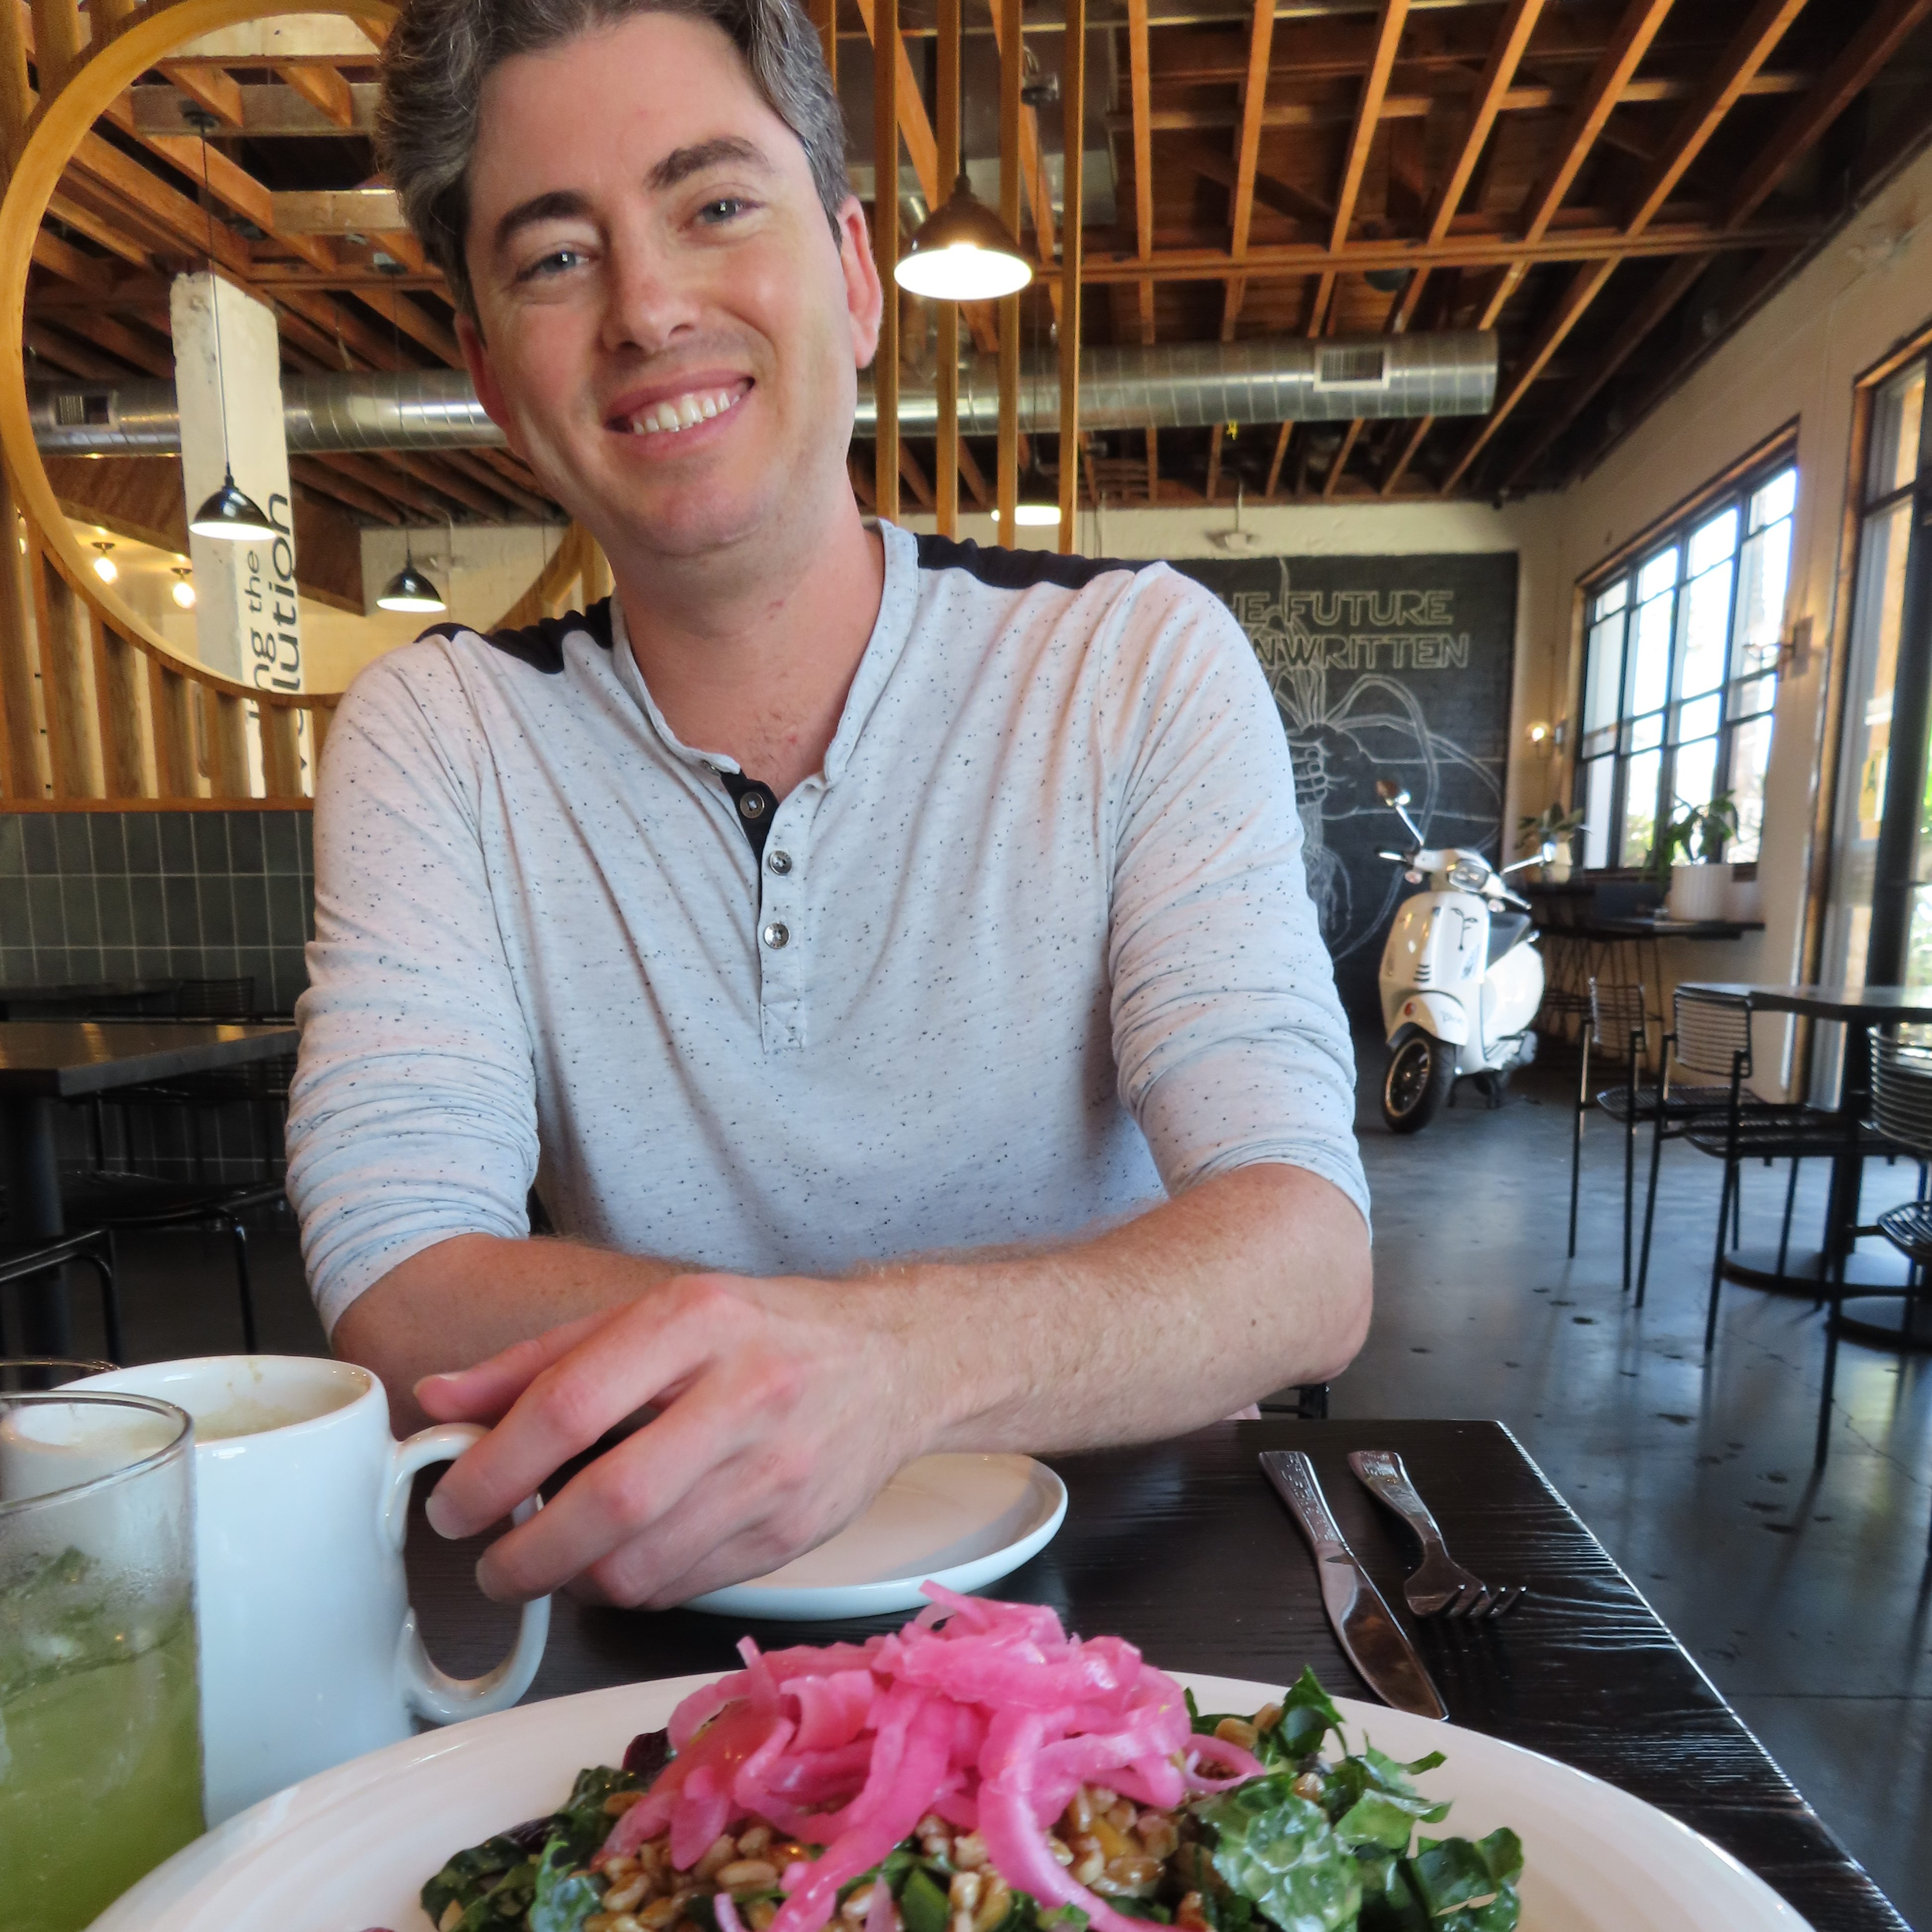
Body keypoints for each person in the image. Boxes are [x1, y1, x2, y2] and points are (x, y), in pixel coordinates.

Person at [287, 0, 1371, 1612]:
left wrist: (887, 1364)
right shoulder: (443, 737)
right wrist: (825, 1368)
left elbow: (1302, 1252)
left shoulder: (1132, 659)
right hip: (669, 1605)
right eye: (554, 258)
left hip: (1122, 1606)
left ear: (854, 276)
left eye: (715, 205)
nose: (650, 307)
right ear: (495, 381)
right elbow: (397, 1280)